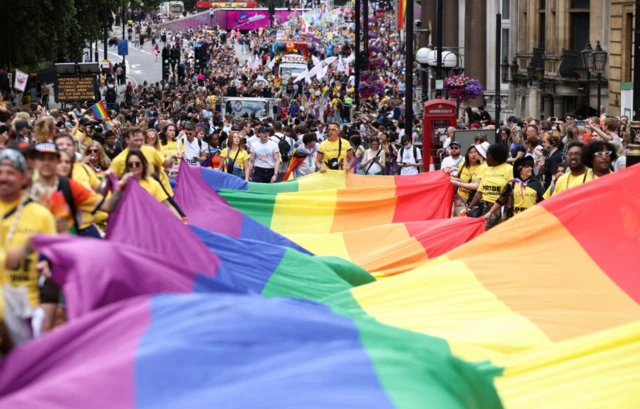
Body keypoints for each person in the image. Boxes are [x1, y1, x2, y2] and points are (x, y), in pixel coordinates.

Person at [0, 149, 56, 309]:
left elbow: (53, 264)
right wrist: (26, 248)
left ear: (24, 178)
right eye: (0, 172)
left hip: (28, 309)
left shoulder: (42, 216)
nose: (3, 178)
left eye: (10, 173)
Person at [483, 155, 544, 223]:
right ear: (520, 169)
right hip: (513, 220)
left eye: (531, 166)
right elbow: (501, 200)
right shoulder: (511, 184)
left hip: (530, 221)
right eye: (527, 166)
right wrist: (489, 213)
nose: (530, 168)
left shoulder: (536, 184)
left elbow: (543, 202)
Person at [467, 143, 513, 230]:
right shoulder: (487, 170)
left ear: (495, 157)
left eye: (488, 156)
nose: (486, 159)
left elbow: (510, 191)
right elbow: (480, 192)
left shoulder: (509, 169)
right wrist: (469, 207)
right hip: (485, 207)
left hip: (501, 208)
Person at [125, 149, 180, 218]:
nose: (134, 166)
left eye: (137, 164)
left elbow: (167, 206)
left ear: (143, 164)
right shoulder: (122, 185)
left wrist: (181, 222)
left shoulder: (153, 184)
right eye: (130, 165)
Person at [451, 145, 483, 216]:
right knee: (458, 222)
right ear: (467, 154)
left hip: (474, 201)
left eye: (476, 152)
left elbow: (477, 186)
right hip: (460, 199)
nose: (474, 155)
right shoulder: (462, 164)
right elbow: (457, 177)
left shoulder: (482, 167)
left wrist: (458, 182)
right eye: (471, 153)